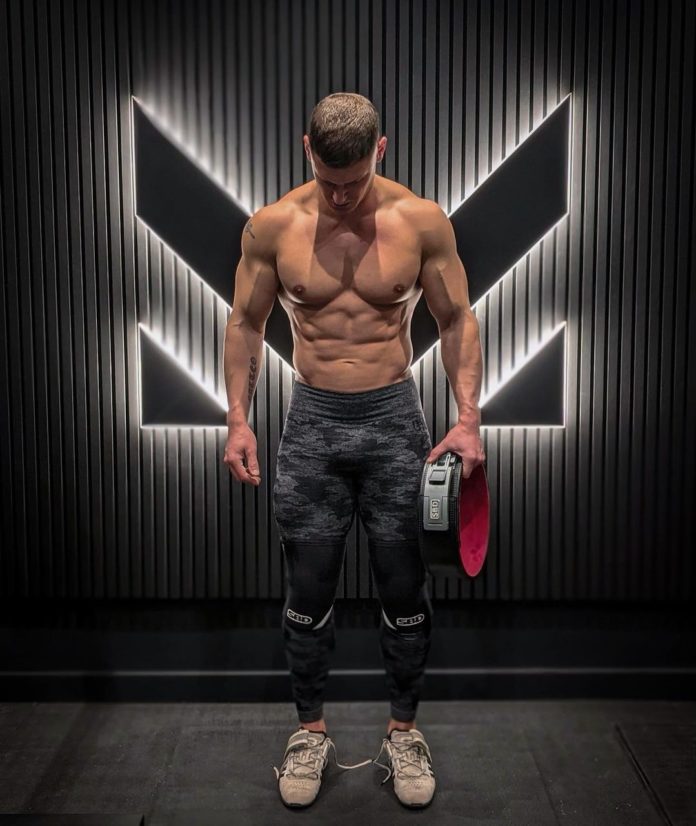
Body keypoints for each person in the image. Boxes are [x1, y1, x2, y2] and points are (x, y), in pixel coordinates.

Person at [222, 92, 485, 810]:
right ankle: (310, 733)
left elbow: (456, 318)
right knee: (308, 590)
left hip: (394, 420)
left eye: (355, 181)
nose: (340, 196)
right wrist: (238, 418)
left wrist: (468, 418)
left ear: (381, 150)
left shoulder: (419, 220)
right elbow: (245, 323)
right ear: (307, 148)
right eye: (328, 181)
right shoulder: (274, 225)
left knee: (404, 589)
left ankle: (403, 733)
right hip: (312, 425)